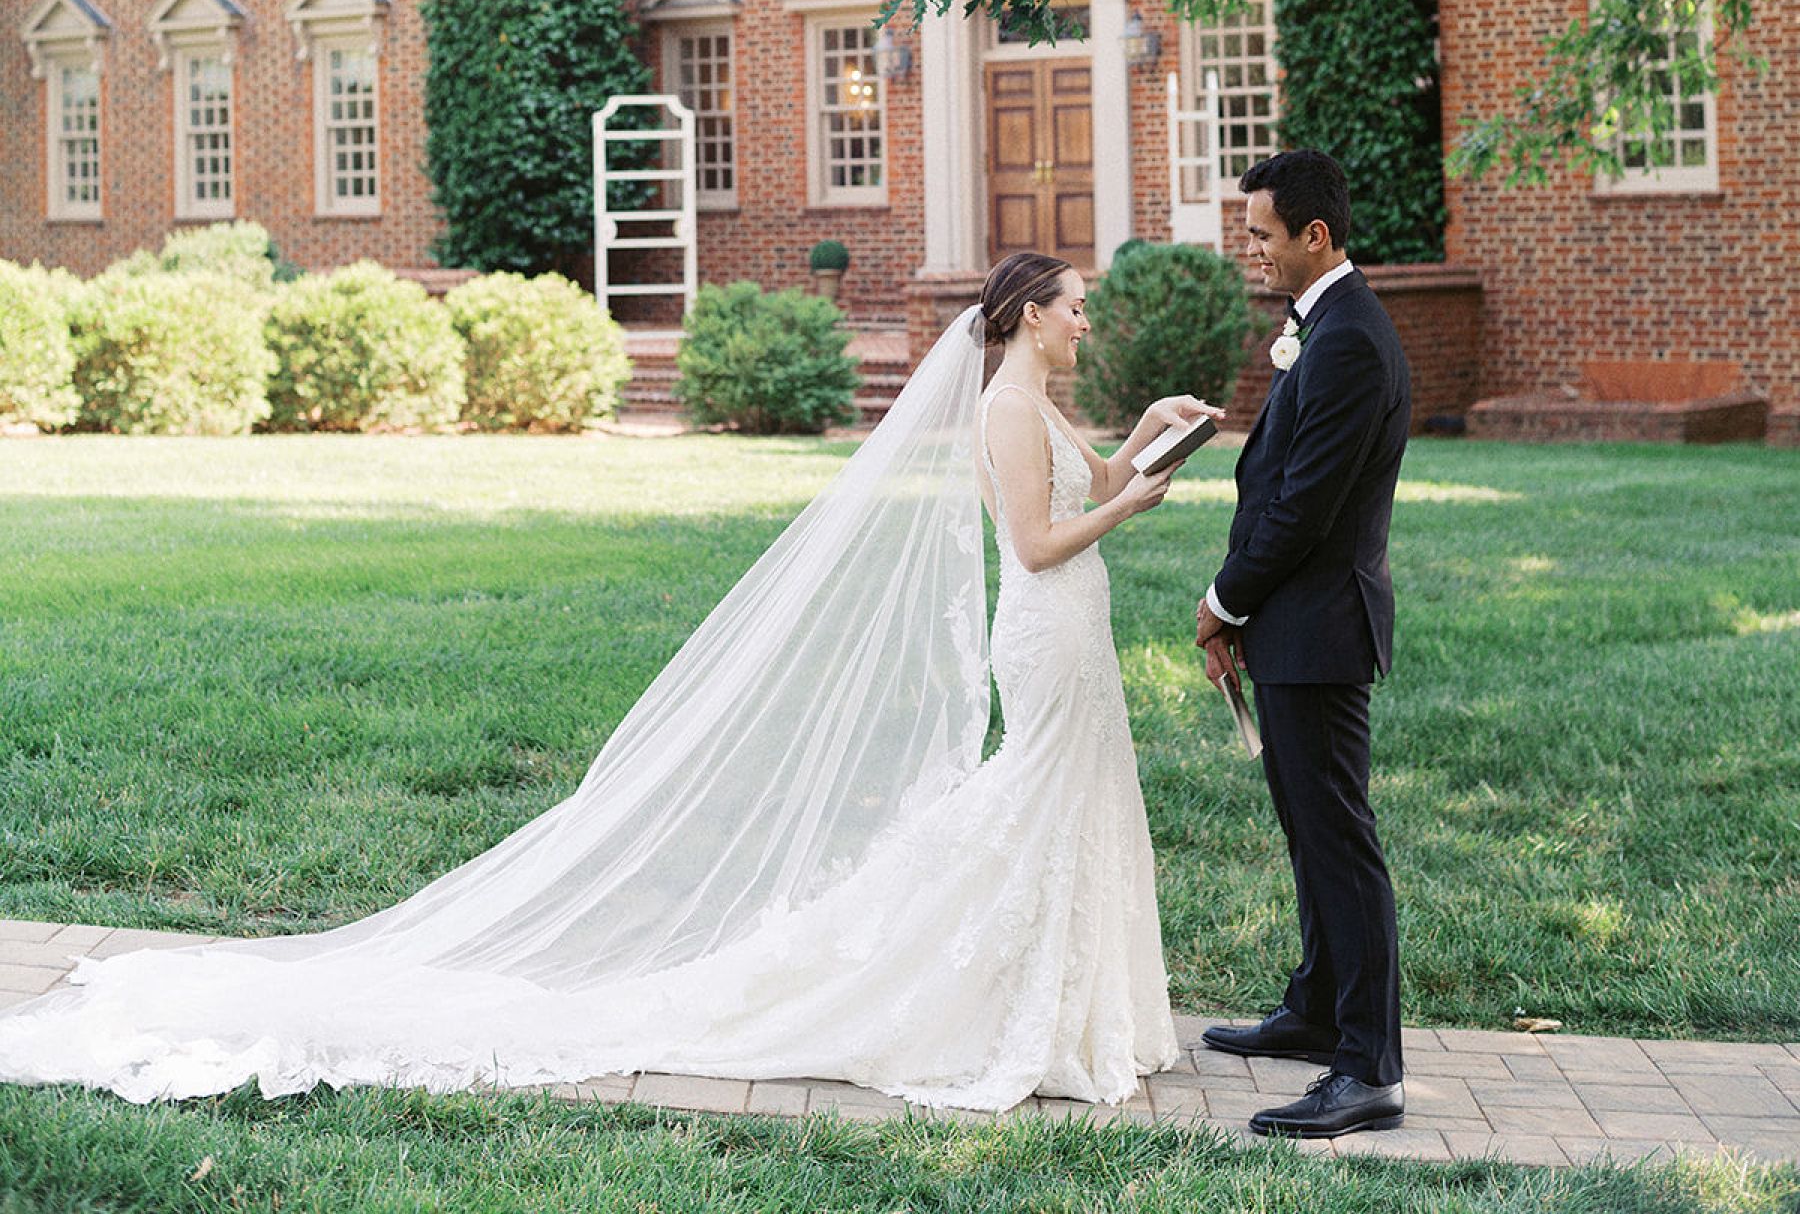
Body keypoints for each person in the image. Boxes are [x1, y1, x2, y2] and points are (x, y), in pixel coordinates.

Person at [0, 252, 1204, 1112]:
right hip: (1045, 633)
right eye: (1075, 310)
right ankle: (984, 998)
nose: (1085, 323)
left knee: (1067, 812)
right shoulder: (1000, 404)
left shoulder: (1035, 398)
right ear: (1029, 317)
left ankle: (1065, 1002)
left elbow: (1087, 482)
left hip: (1075, 635)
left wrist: (1144, 439)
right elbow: (1043, 541)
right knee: (1031, 811)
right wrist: (1139, 505)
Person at [1195, 148, 1411, 1140]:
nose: (1253, 253)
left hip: (1318, 629)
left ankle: (1369, 1067)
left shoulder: (1351, 343)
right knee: (1311, 834)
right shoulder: (1322, 332)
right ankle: (1320, 1006)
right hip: (1295, 629)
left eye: (1263, 236)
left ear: (1315, 235)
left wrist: (1222, 601)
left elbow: (1304, 510)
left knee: (1340, 843)